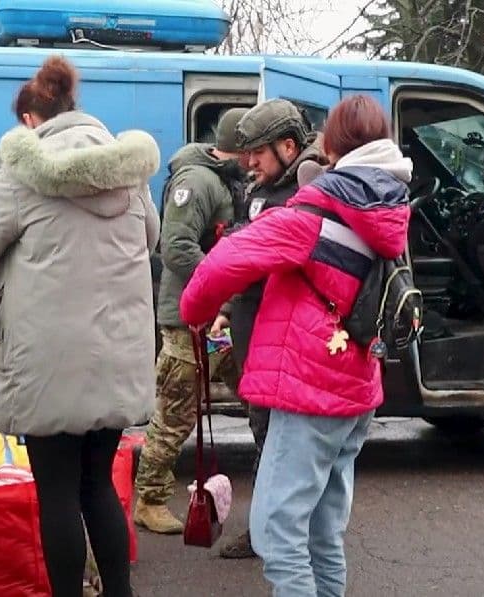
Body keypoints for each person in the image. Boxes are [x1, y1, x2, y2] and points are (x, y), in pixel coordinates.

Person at [0, 55, 160, 597]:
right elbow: (150, 239)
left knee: (58, 491)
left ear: (30, 121)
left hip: (48, 361)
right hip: (117, 351)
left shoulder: (20, 176)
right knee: (97, 486)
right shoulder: (129, 172)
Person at [179, 94, 412, 596]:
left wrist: (194, 313)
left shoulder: (312, 216)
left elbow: (223, 263)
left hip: (310, 388)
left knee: (276, 532)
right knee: (324, 532)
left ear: (333, 148)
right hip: (355, 385)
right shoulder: (387, 206)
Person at [215, 99, 328, 559]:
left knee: (284, 441)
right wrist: (227, 306)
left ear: (288, 147)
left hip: (284, 342)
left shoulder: (308, 195)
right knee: (263, 432)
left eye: (258, 152)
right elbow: (243, 253)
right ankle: (270, 529)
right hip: (256, 334)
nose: (249, 162)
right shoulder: (261, 189)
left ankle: (276, 533)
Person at [130, 108, 248, 535]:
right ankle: (149, 499)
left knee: (256, 398)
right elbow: (176, 246)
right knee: (176, 413)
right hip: (191, 320)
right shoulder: (198, 182)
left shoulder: (225, 181)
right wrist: (219, 285)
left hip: (221, 316)